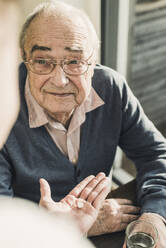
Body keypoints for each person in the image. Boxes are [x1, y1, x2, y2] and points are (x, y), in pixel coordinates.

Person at [0, 1, 165, 247]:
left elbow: (156, 154)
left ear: (93, 63)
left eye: (74, 61)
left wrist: (155, 215)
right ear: (25, 60)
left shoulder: (110, 87)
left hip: (109, 220)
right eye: (43, 61)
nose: (60, 80)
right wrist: (69, 228)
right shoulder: (5, 107)